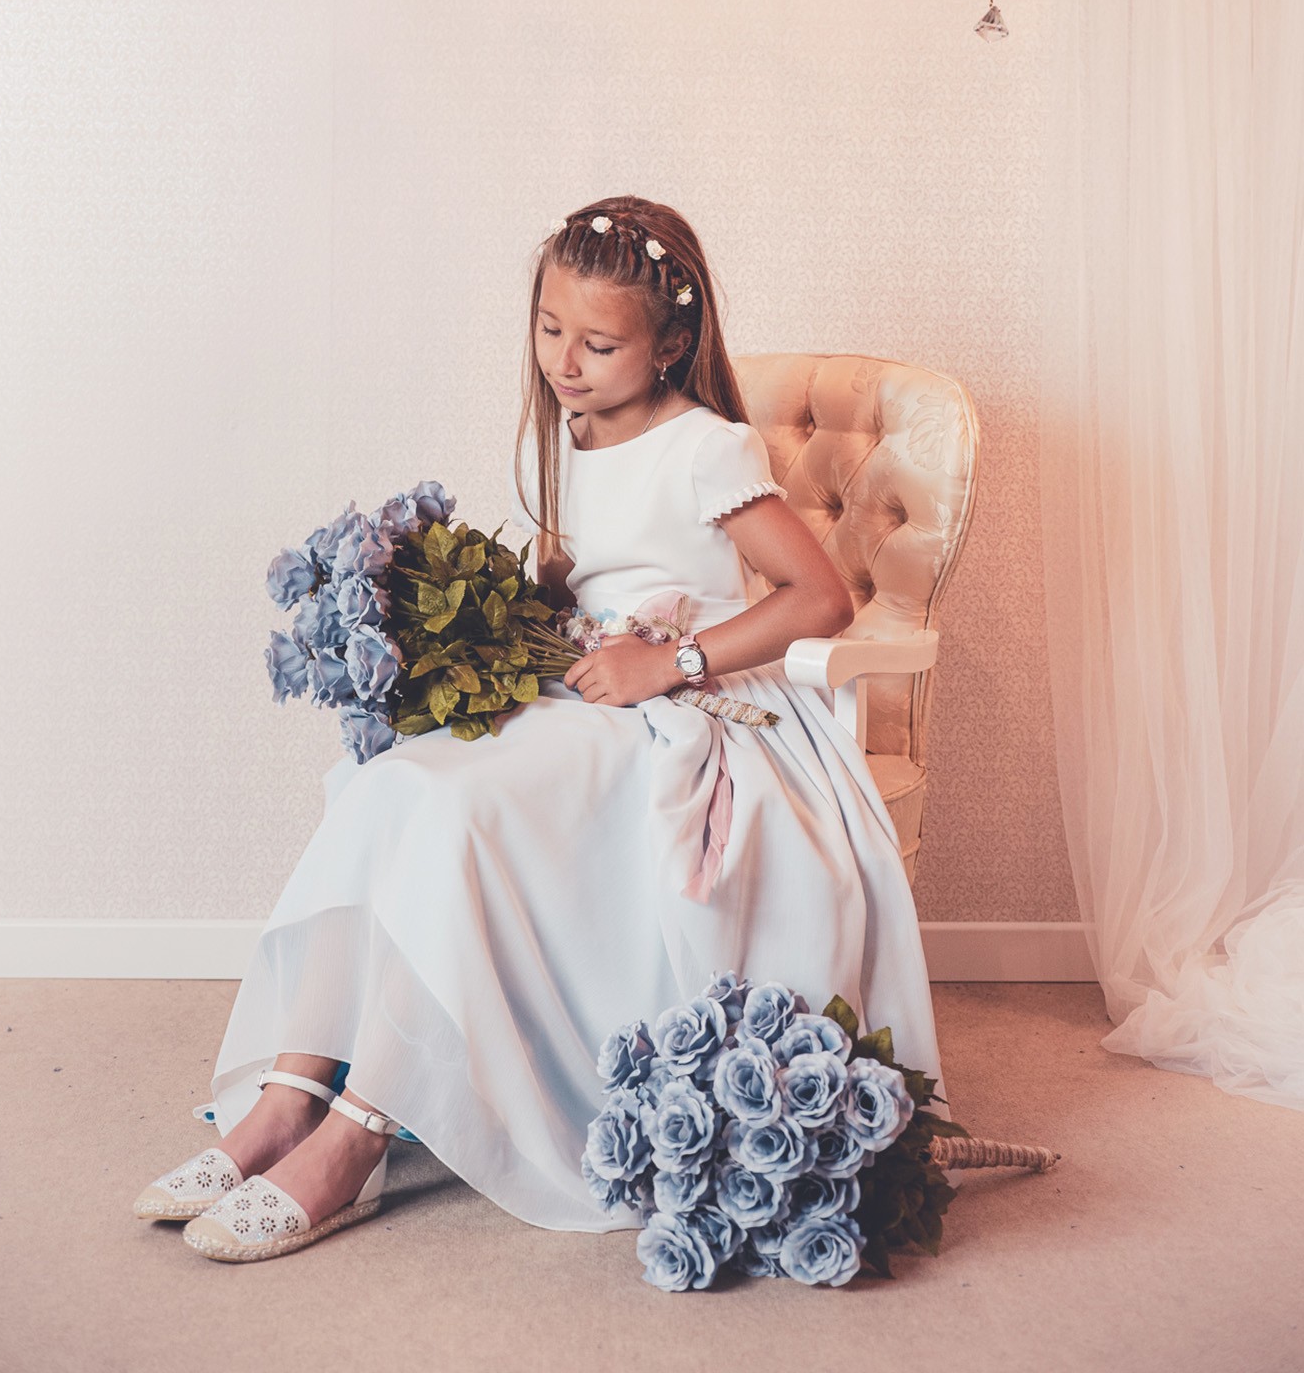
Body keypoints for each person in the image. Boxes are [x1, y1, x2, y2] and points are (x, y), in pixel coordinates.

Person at [133, 194, 946, 1262]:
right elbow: (588, 574)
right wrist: (504, 614)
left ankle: (356, 1136)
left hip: (693, 710)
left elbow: (820, 599)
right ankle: (290, 1096)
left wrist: (669, 658)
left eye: (599, 342)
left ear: (671, 344)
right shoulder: (575, 428)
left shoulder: (708, 446)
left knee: (463, 809)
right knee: (383, 782)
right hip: (585, 687)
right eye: (551, 329)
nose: (567, 360)